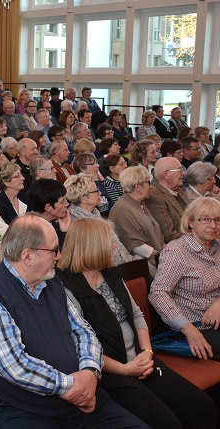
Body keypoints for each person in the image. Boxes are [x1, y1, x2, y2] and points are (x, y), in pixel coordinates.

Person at [0, 213, 148, 428]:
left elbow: (83, 331)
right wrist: (72, 386)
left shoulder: (51, 282)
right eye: (53, 250)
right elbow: (15, 367)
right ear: (27, 256)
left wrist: (90, 372)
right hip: (22, 409)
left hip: (81, 393)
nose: (59, 256)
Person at [57, 217, 217, 429]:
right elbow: (80, 347)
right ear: (92, 247)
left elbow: (137, 315)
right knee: (167, 424)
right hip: (110, 373)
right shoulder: (65, 288)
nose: (115, 246)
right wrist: (126, 369)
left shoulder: (111, 273)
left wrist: (147, 353)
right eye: (109, 242)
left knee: (203, 408)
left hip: (142, 360)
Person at [149, 197, 220, 363]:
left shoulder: (216, 247)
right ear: (190, 222)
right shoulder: (177, 252)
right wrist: (187, 328)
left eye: (217, 220)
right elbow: (158, 293)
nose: (213, 225)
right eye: (205, 219)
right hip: (197, 325)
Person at [64, 174, 134, 265]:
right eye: (96, 191)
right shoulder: (75, 222)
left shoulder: (94, 213)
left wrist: (131, 260)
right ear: (84, 198)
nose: (100, 193)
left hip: (124, 262)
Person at [108, 166, 163, 275]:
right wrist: (162, 256)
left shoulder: (139, 204)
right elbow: (135, 245)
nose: (151, 187)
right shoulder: (122, 209)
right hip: (144, 263)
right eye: (148, 182)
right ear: (138, 186)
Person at [144, 157, 189, 243]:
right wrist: (197, 240)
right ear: (165, 175)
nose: (183, 173)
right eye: (179, 170)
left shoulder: (179, 190)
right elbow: (169, 235)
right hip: (181, 248)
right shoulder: (155, 197)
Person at [28, 178, 71, 247]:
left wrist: (64, 231)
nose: (67, 204)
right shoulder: (30, 231)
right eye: (63, 201)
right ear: (48, 207)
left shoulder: (56, 225)